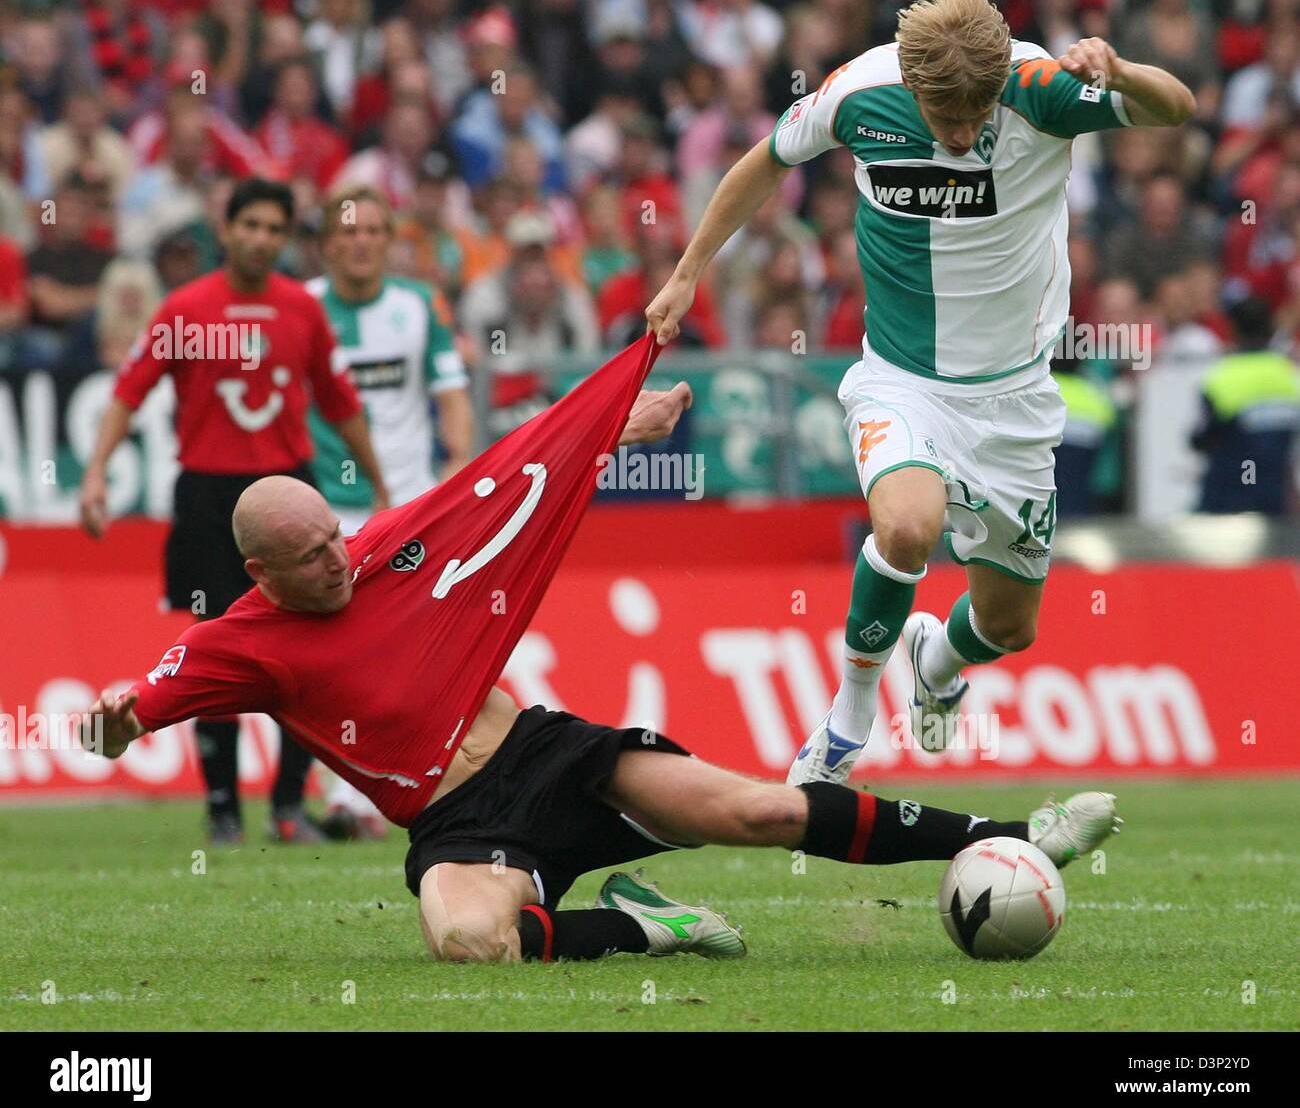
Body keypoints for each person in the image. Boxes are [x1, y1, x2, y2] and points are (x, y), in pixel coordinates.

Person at [78, 355, 1120, 964]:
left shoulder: (383, 543)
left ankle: (1017, 833)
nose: (336, 561)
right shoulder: (240, 642)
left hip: (548, 752)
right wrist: (116, 716)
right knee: (468, 944)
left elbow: (521, 468)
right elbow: (142, 699)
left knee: (758, 809)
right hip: (458, 822)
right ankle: (635, 925)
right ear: (259, 567)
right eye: (308, 559)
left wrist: (625, 419)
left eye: (333, 538)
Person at [644, 0, 1196, 785]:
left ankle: (937, 658)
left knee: (1009, 628)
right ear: (912, 86)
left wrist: (1118, 69)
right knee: (907, 527)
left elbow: (1175, 106)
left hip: (1015, 397)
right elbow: (763, 162)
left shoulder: (1044, 90)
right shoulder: (860, 93)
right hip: (904, 380)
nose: (968, 132)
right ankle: (849, 718)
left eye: (980, 115)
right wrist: (689, 271)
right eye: (950, 119)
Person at [78, 177, 389, 845]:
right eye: (250, 225)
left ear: (284, 238)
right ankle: (222, 809)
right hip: (210, 501)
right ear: (227, 230)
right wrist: (97, 471)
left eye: (275, 229)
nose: (261, 239)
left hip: (291, 498)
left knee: (314, 654)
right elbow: (129, 391)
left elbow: (339, 403)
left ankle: (285, 808)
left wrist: (381, 483)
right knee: (211, 649)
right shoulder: (185, 310)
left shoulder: (301, 311)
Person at [307, 184, 474, 838]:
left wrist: (457, 472)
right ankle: (347, 798)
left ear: (389, 240)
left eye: (374, 230)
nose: (360, 242)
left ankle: (439, 778)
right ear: (326, 245)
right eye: (347, 231)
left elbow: (450, 393)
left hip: (405, 502)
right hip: (323, 507)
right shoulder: (302, 310)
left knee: (423, 648)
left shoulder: (417, 305)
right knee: (334, 655)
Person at [1191, 297, 1300, 515]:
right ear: (1271, 329)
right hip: (1274, 495)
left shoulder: (1220, 377)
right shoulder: (1291, 376)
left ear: (1233, 330)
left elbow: (1201, 439)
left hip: (1228, 493)